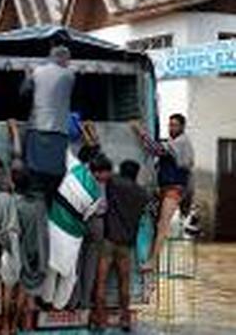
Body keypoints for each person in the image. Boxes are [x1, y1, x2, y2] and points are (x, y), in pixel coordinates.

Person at [93, 160, 150, 331]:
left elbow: (105, 175)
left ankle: (100, 320)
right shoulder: (143, 194)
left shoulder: (114, 183)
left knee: (101, 281)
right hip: (126, 245)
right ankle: (125, 319)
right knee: (124, 283)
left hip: (109, 240)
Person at [137, 113, 195, 272]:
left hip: (173, 189)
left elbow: (156, 149)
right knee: (157, 224)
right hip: (166, 188)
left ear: (182, 127)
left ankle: (152, 262)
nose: (171, 128)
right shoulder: (174, 142)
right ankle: (151, 259)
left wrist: (141, 133)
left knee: (163, 226)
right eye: (170, 125)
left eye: (175, 125)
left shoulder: (181, 142)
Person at [20, 45, 75, 206]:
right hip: (60, 132)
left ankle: (35, 201)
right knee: (55, 173)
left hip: (38, 128)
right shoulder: (70, 76)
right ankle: (49, 203)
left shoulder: (37, 72)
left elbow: (24, 93)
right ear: (65, 59)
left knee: (33, 169)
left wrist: (27, 76)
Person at [73, 154, 113, 310]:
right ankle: (83, 301)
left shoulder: (80, 177)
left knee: (77, 263)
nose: (108, 176)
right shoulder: (99, 183)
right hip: (95, 221)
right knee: (89, 263)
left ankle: (74, 300)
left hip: (79, 221)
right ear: (98, 172)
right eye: (106, 172)